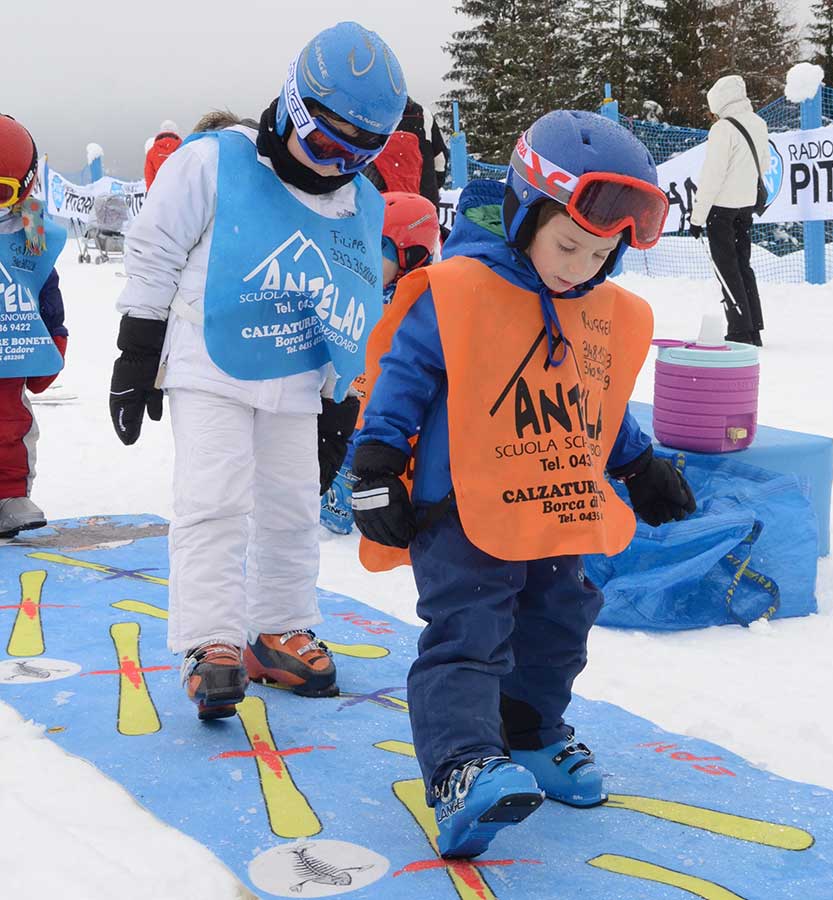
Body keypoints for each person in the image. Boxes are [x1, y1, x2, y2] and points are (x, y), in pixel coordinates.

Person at [350, 110, 696, 858]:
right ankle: (461, 767)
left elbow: (590, 399)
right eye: (568, 243)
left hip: (554, 506)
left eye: (601, 252)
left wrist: (638, 461)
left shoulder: (587, 306)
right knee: (468, 636)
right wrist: (376, 465)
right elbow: (401, 381)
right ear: (522, 212)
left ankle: (532, 737)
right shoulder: (460, 290)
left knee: (559, 623)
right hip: (461, 510)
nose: (580, 265)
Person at [109, 22, 407, 720]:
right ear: (294, 106)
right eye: (326, 142)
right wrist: (136, 351)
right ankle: (210, 642)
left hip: (299, 372)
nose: (336, 165)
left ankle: (279, 627)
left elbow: (354, 299)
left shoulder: (360, 201)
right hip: (210, 358)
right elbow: (154, 251)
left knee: (293, 506)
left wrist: (341, 396)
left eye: (359, 154)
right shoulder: (213, 161)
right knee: (213, 500)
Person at [320, 191, 440, 534]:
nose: (365, 258)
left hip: (379, 433)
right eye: (361, 244)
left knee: (337, 513)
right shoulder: (349, 290)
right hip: (338, 418)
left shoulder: (419, 311)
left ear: (412, 256)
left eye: (380, 249)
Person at [0, 115, 68, 538]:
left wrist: (53, 336)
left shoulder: (32, 232)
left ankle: (8, 494)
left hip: (10, 349)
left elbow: (45, 285)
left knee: (10, 422)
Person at [689, 75, 769, 346]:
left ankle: (738, 330)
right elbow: (765, 165)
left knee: (726, 268)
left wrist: (697, 218)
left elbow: (712, 176)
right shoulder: (758, 123)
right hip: (745, 207)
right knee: (743, 265)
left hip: (721, 210)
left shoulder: (722, 128)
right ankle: (753, 327)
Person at [144, 120, 182, 192]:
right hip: (178, 193)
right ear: (176, 132)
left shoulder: (151, 152)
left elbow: (149, 176)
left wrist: (151, 194)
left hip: (159, 194)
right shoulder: (183, 149)